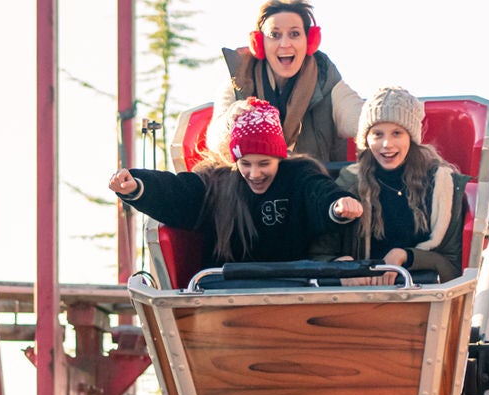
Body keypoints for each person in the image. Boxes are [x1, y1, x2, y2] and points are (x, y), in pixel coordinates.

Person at [110, 97, 362, 267]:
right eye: (245, 164)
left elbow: (319, 194)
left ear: (279, 157)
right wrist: (138, 186)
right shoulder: (218, 184)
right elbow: (179, 194)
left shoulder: (298, 176)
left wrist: (337, 206)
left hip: (290, 281)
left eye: (264, 164)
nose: (254, 174)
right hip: (230, 285)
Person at [332, 85, 469, 282]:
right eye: (378, 134)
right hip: (362, 295)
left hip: (423, 296)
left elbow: (452, 267)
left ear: (411, 137)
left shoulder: (441, 184)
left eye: (397, 133)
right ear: (366, 139)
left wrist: (406, 255)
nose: (387, 144)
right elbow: (320, 252)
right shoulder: (350, 181)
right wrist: (340, 262)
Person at [213, 0, 363, 165]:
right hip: (250, 183)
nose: (285, 44)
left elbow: (357, 119)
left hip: (312, 184)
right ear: (260, 43)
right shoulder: (237, 78)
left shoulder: (327, 79)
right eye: (275, 35)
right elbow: (215, 142)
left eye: (294, 34)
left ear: (310, 40)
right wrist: (231, 120)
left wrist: (382, 123)